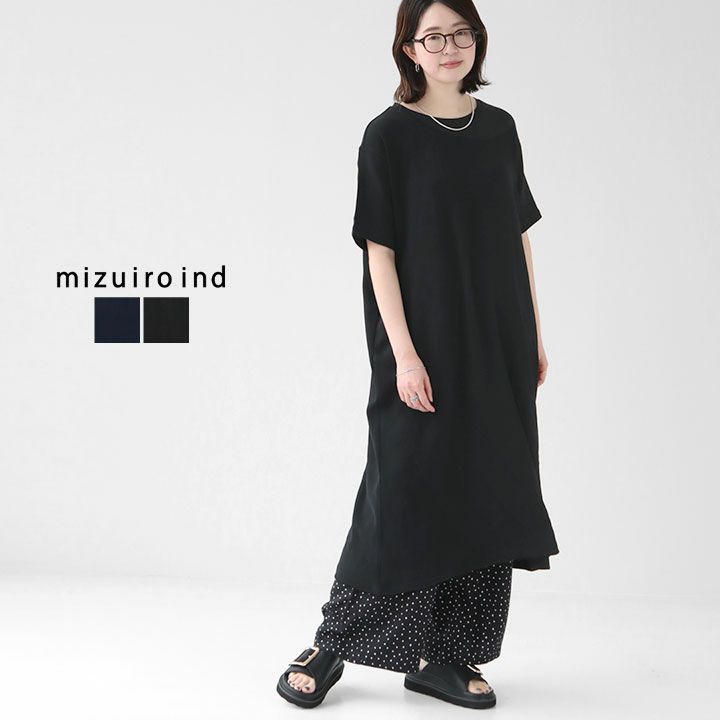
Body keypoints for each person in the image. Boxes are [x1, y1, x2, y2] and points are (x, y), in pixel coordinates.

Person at [276, 0, 559, 710]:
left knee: (488, 485)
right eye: (433, 36)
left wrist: (533, 332)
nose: (449, 46)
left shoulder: (500, 129)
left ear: (477, 40)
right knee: (402, 488)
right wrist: (403, 354)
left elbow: (518, 235)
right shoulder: (388, 135)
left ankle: (449, 657)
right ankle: (333, 643)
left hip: (497, 337)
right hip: (421, 338)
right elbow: (380, 251)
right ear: (408, 48)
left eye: (461, 33)